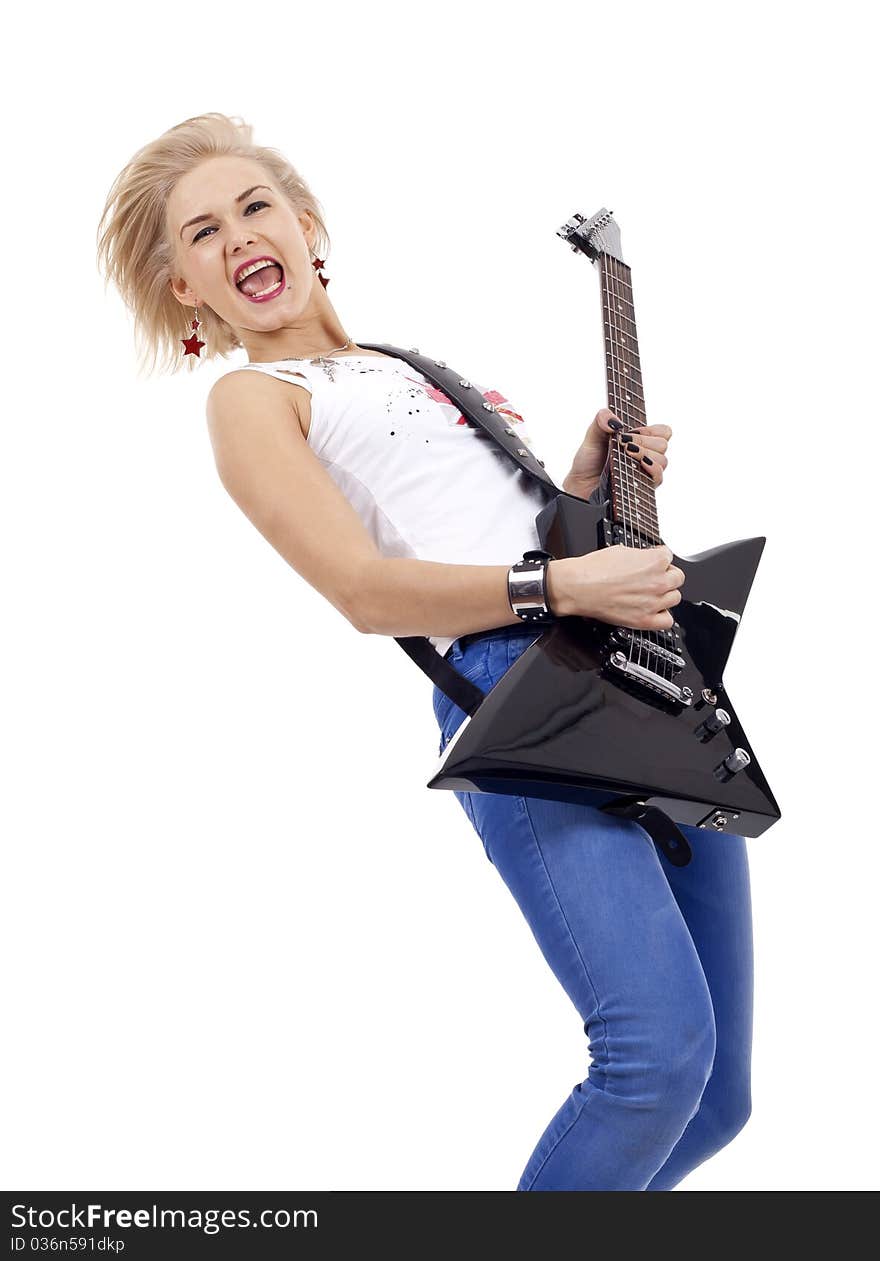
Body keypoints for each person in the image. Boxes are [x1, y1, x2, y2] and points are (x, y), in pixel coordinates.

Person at [96, 112, 753, 1191]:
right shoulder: (255, 400)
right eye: (202, 233)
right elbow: (361, 590)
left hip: (633, 674)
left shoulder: (406, 366)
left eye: (255, 206)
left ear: (308, 227)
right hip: (517, 697)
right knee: (652, 1058)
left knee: (716, 1093)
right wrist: (559, 582)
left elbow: (510, 534)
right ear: (187, 292)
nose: (238, 237)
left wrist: (584, 486)